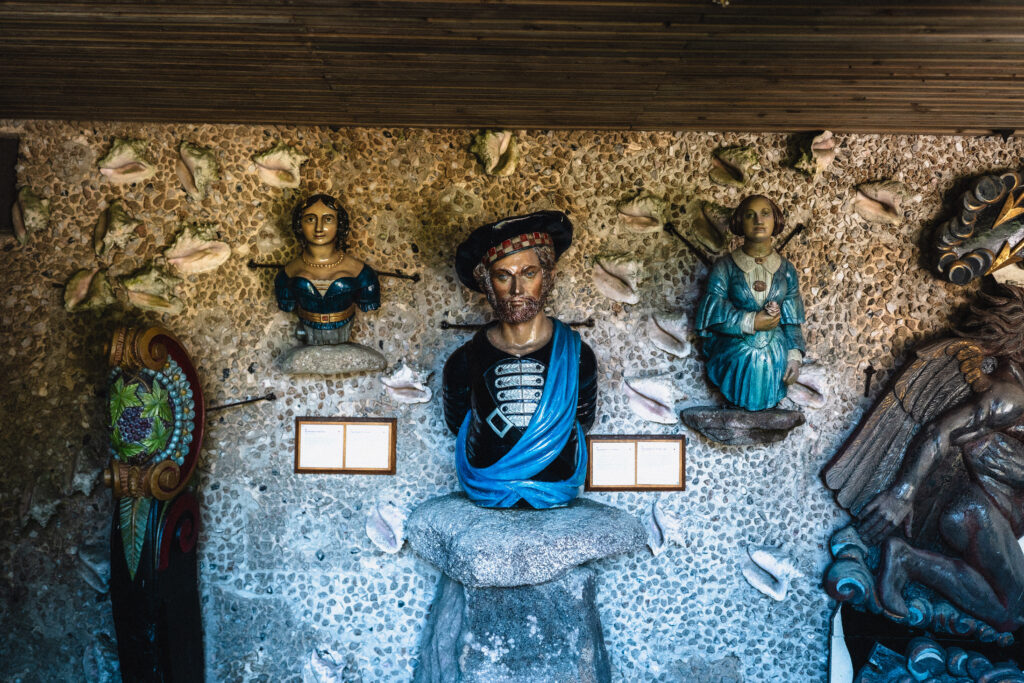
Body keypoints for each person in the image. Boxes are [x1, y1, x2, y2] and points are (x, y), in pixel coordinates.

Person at [856, 284, 1024, 632]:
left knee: (1011, 612)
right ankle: (905, 561)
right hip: (977, 511)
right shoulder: (1010, 397)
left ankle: (912, 563)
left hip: (990, 514)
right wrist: (901, 494)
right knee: (1016, 608)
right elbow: (941, 430)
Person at [443, 211, 597, 509]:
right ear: (488, 284)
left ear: (548, 276)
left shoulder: (577, 359)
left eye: (529, 273)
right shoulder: (463, 361)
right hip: (487, 484)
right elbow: (458, 422)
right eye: (504, 276)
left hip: (556, 484)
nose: (517, 290)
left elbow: (581, 420)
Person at [695, 195, 805, 411]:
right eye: (749, 215)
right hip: (734, 358)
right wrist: (751, 321)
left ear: (775, 220)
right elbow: (712, 312)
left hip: (776, 361)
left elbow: (792, 320)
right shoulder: (725, 267)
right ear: (739, 222)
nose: (758, 220)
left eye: (765, 214)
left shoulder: (786, 270)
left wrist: (794, 357)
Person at [274, 194, 380, 345]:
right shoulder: (287, 275)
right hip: (307, 337)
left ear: (339, 224)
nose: (319, 227)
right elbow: (286, 303)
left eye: (328, 219)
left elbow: (369, 301)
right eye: (310, 219)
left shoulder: (362, 274)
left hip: (344, 336)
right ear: (299, 224)